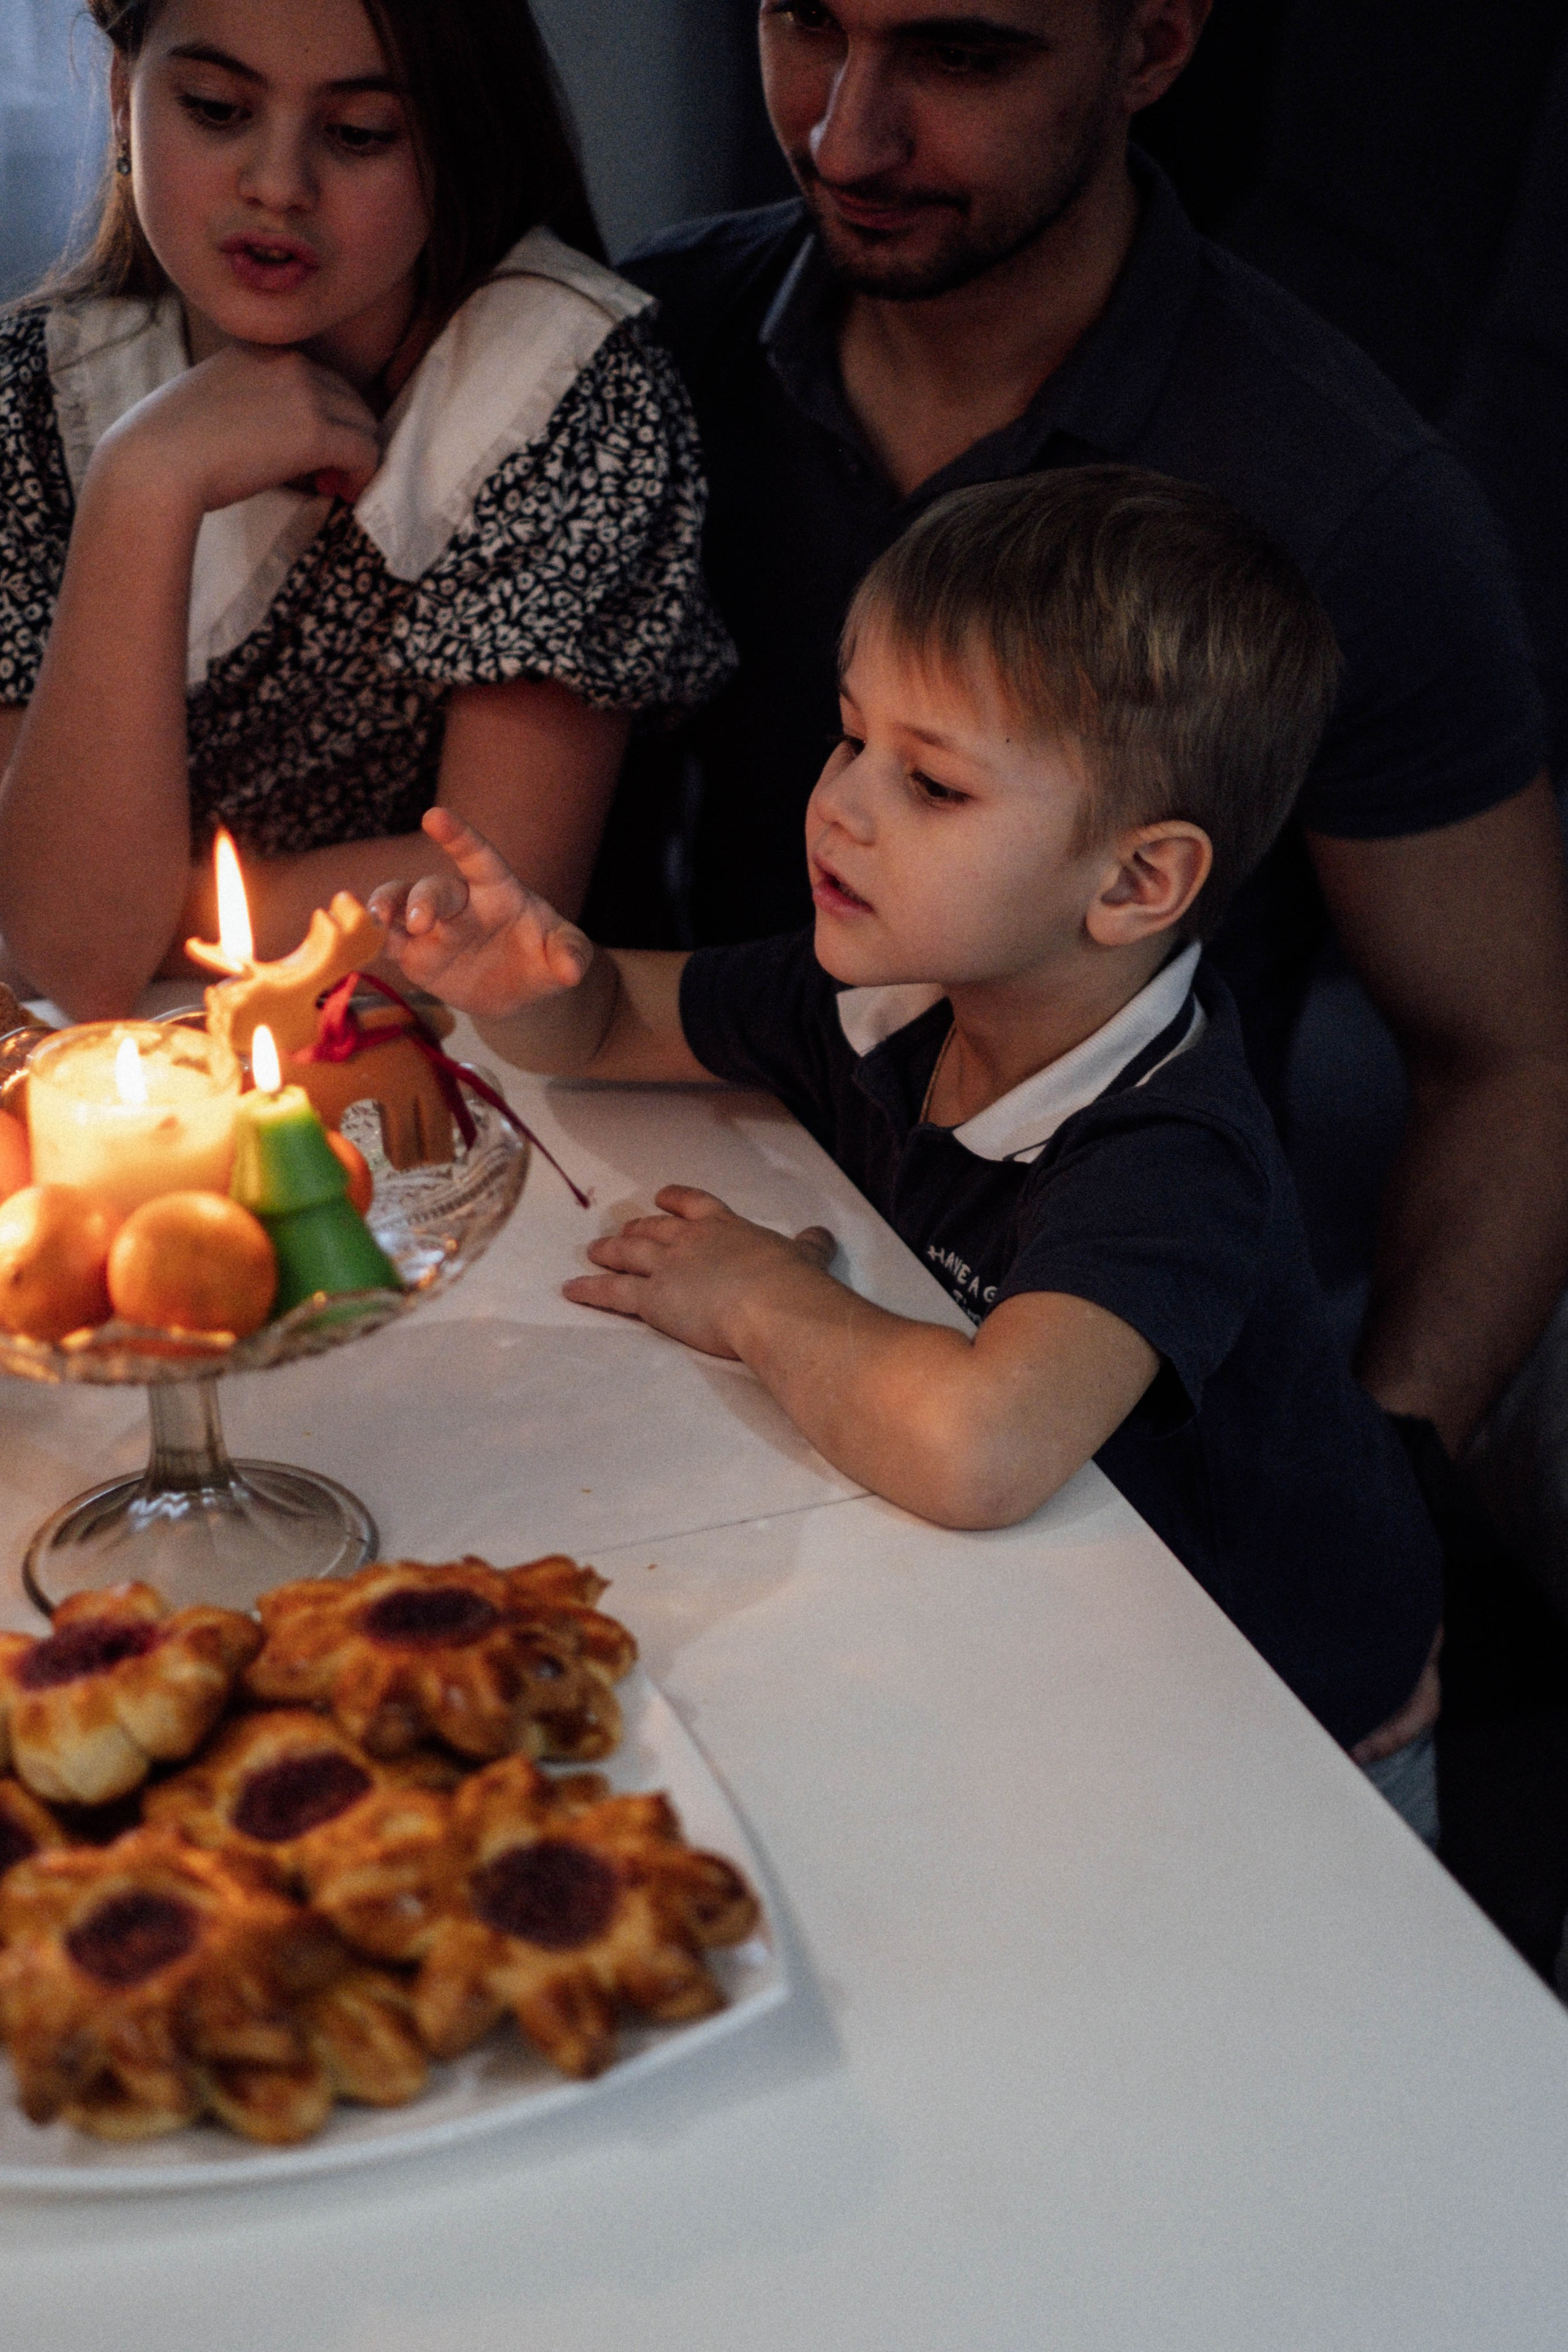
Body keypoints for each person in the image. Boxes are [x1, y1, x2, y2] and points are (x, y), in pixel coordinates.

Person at [371, 467, 1446, 1833]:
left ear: (1131, 884)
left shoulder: (1165, 1151)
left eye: (931, 783)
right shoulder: (894, 989)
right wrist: (531, 986)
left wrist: (760, 1296)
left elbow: (979, 1450)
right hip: (1051, 1628)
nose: (842, 807)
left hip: (1276, 1719)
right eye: (847, 739)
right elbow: (614, 1023)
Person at [600, 0, 1568, 1500]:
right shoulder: (643, 340)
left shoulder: (1342, 499)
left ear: (1155, 47)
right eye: (802, 22)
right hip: (691, 1233)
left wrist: (1385, 1508)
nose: (843, 135)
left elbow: (1512, 1057)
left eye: (962, 57)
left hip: (1074, 1366)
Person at [0, 0, 732, 1020]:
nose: (277, 185)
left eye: (359, 135)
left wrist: (135, 900)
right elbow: (71, 960)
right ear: (125, 98)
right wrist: (144, 485)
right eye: (215, 109)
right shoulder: (39, 396)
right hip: (131, 1079)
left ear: (454, 139)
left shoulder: (556, 388)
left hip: (465, 1070)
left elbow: (497, 903)